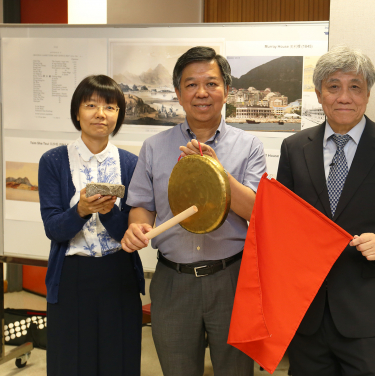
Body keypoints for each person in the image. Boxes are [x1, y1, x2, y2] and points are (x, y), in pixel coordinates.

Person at [276, 46, 375, 376]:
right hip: (306, 310)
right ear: (319, 94)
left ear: (367, 94)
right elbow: (283, 221)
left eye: (355, 86)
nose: (345, 96)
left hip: (365, 313)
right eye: (334, 86)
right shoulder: (295, 148)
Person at [121, 46, 266, 376]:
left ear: (226, 91)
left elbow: (257, 212)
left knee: (236, 371)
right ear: (178, 92)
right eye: (191, 84)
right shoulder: (155, 147)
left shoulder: (249, 146)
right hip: (174, 281)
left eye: (212, 83)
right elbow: (143, 205)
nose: (202, 93)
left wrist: (217, 174)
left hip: (232, 279)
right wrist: (137, 226)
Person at [39, 75, 145, 376]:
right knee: (71, 363)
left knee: (119, 361)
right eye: (91, 105)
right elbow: (54, 229)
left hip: (118, 274)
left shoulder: (130, 163)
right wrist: (81, 210)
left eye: (110, 107)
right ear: (77, 112)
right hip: (72, 276)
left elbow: (130, 230)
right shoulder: (53, 161)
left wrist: (109, 212)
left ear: (118, 116)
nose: (101, 114)